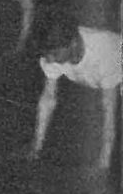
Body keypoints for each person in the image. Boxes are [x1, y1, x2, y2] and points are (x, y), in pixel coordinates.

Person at [31, 14, 121, 173]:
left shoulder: (106, 53)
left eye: (54, 54)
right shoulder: (53, 52)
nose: (50, 60)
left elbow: (108, 112)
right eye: (47, 55)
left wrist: (103, 163)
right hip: (99, 80)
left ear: (73, 43)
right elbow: (48, 99)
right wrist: (36, 147)